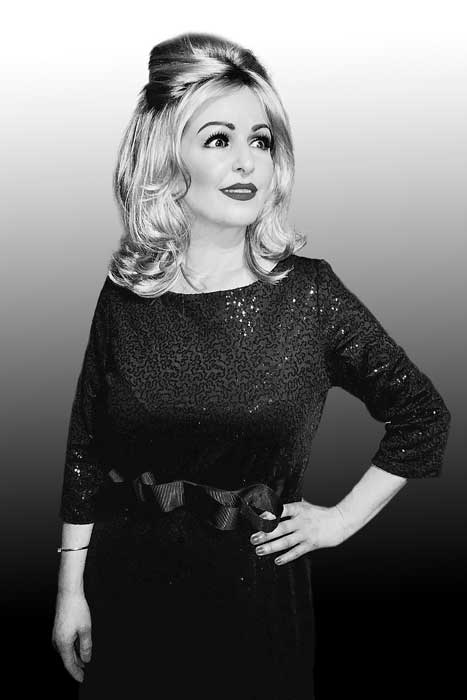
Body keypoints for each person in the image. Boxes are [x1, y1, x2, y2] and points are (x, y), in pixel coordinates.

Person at [51, 32, 451, 700]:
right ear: (165, 156)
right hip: (126, 591)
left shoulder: (309, 295)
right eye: (218, 139)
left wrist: (340, 522)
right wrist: (70, 590)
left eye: (260, 141)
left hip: (252, 604)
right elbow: (86, 449)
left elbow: (422, 415)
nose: (247, 162)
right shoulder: (127, 296)